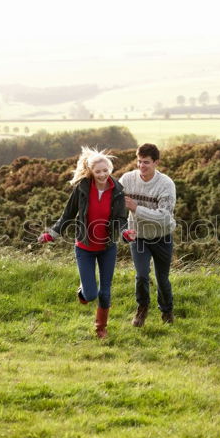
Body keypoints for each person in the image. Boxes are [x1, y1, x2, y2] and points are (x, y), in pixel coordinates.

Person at [38, 147, 127, 338]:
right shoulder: (82, 188)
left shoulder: (118, 190)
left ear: (110, 169)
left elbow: (120, 218)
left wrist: (126, 232)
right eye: (98, 171)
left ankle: (100, 328)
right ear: (91, 172)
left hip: (107, 247)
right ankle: (83, 292)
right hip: (84, 247)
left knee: (105, 292)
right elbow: (67, 215)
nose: (102, 174)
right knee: (91, 295)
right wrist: (51, 234)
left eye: (105, 170)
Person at [119, 143, 176, 327]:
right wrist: (123, 230)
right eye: (139, 162)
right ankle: (142, 309)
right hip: (138, 237)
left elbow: (164, 217)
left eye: (146, 162)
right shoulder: (127, 179)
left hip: (162, 236)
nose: (141, 166)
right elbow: (115, 206)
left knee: (162, 278)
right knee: (141, 275)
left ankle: (166, 311)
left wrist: (136, 208)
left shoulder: (166, 184)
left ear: (156, 162)